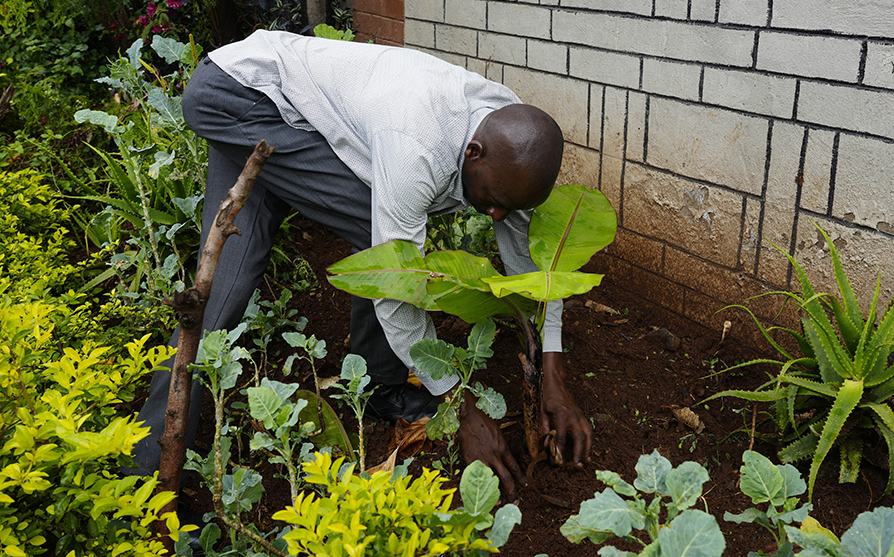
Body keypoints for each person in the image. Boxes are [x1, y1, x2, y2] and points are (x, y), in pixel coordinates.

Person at [132, 29, 592, 498]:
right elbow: (395, 282)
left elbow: (533, 268)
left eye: (507, 207)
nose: (496, 215)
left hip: (281, 103)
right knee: (381, 250)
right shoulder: (417, 147)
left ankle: (377, 388)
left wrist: (553, 371)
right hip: (236, 95)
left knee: (222, 294)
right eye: (491, 201)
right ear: (472, 152)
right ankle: (151, 483)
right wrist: (460, 407)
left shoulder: (514, 147)